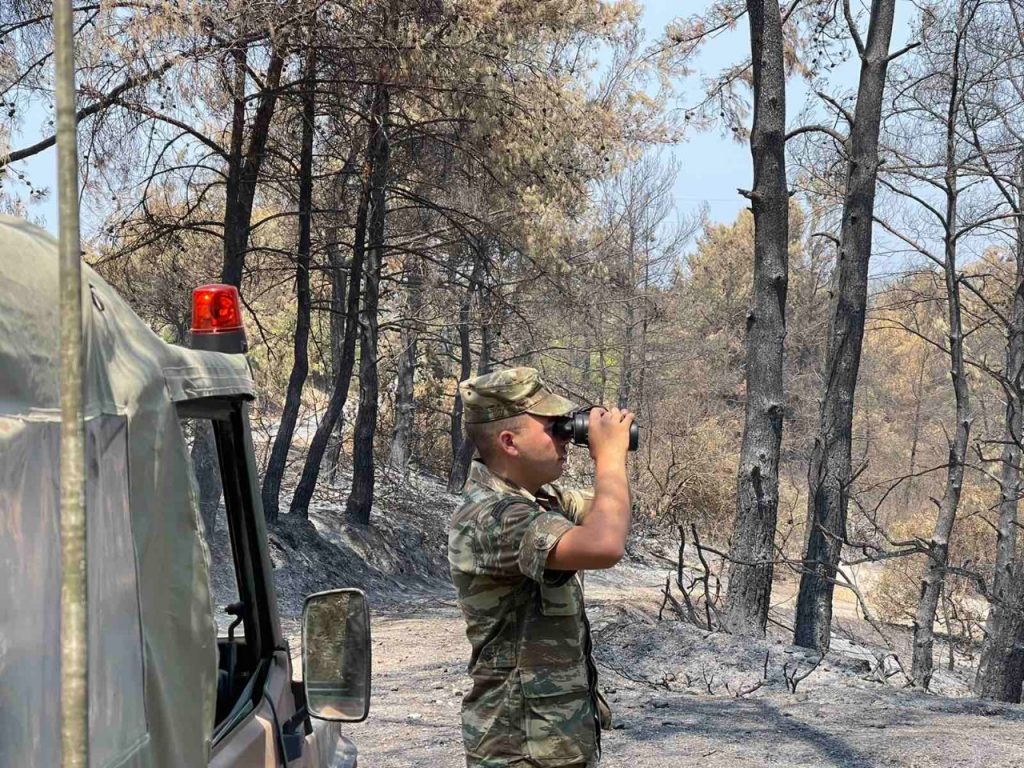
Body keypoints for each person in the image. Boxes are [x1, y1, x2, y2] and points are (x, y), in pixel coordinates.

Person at [448, 367, 634, 768]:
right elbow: (605, 543)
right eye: (553, 427)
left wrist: (600, 438)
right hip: (516, 749)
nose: (565, 436)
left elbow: (608, 508)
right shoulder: (493, 518)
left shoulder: (538, 502)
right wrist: (610, 457)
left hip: (550, 741)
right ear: (509, 441)